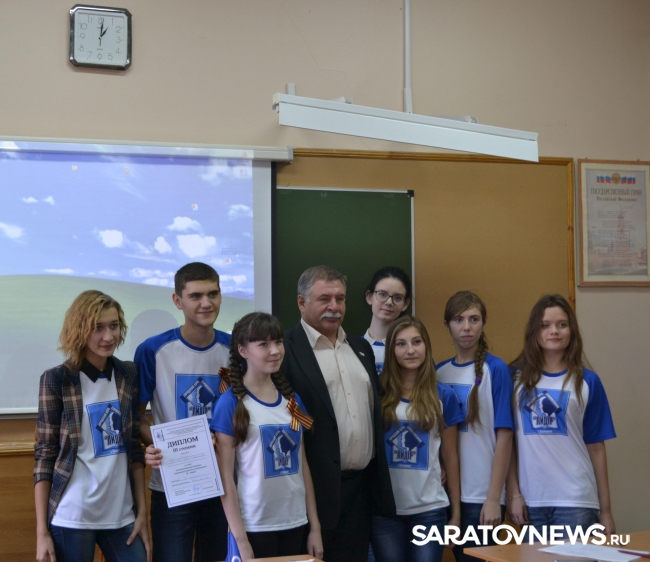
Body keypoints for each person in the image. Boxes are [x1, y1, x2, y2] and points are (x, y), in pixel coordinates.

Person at [281, 265, 396, 562]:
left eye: (340, 299)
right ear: (301, 302)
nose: (334, 307)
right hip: (313, 493)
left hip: (361, 492)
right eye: (324, 299)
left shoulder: (360, 347)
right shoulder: (283, 350)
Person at [34, 290, 150, 562]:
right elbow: (45, 455)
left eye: (114, 326)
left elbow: (134, 448)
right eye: (97, 328)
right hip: (72, 516)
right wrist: (41, 531)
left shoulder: (128, 374)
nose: (108, 336)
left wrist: (142, 512)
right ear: (79, 330)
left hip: (121, 515)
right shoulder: (57, 380)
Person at [136, 262, 230, 562]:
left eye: (213, 294)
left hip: (223, 484)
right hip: (172, 485)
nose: (206, 303)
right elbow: (137, 417)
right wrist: (155, 444)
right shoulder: (152, 350)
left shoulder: (236, 350)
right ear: (178, 301)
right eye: (195, 296)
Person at [211, 312, 323, 560]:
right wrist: (241, 540)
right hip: (254, 526)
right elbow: (225, 479)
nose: (274, 351)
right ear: (243, 350)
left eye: (278, 342)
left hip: (295, 521)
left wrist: (314, 527)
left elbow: (303, 466)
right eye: (263, 344)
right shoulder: (230, 403)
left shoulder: (292, 401)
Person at [506, 294, 616, 539]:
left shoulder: (588, 381)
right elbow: (506, 442)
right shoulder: (515, 378)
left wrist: (606, 511)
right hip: (531, 501)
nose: (554, 331)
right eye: (545, 325)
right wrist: (513, 493)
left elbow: (596, 448)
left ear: (572, 330)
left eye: (562, 324)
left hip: (576, 500)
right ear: (534, 331)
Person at [371, 316, 463, 562]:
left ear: (426, 346)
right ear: (391, 351)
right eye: (401, 344)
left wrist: (455, 515)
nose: (410, 350)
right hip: (385, 511)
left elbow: (450, 457)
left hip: (429, 510)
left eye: (416, 342)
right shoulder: (377, 394)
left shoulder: (443, 395)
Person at [436, 291, 514, 561]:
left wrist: (494, 498)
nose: (466, 327)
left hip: (481, 496)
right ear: (447, 325)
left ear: (483, 324)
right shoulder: (438, 372)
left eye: (474, 319)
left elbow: (505, 436)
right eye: (459, 320)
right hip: (445, 496)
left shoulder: (496, 369)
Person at [363, 266, 412, 375]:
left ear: (405, 304)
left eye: (397, 298)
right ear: (369, 297)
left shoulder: (411, 351)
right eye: (382, 294)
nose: (389, 302)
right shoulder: (351, 347)